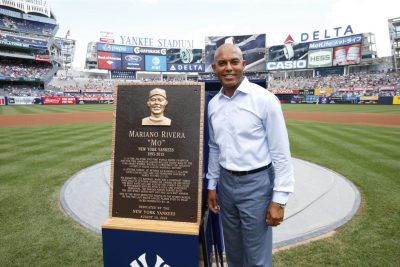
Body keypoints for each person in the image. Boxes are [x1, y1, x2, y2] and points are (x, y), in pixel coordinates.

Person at [206, 44, 295, 267]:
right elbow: (215, 146)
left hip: (257, 184)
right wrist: (211, 185)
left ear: (243, 65)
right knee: (234, 253)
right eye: (222, 63)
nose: (228, 68)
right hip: (226, 184)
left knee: (257, 257)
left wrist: (279, 199)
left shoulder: (264, 100)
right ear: (214, 67)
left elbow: (281, 154)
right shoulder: (214, 105)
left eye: (234, 62)